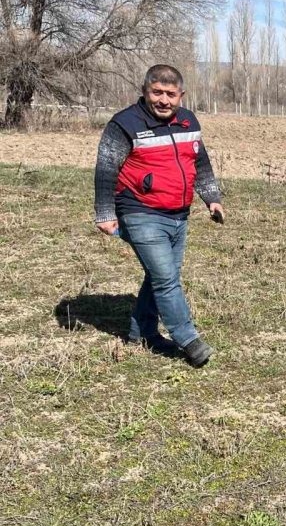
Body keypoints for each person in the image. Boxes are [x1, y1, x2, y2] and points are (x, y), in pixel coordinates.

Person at [93, 64, 225, 367]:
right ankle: (188, 339)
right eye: (157, 92)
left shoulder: (188, 120)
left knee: (161, 275)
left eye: (170, 94)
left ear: (181, 95)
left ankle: (141, 334)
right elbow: (105, 169)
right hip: (139, 210)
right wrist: (104, 212)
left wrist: (212, 199)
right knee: (166, 279)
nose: (163, 100)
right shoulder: (124, 123)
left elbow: (200, 162)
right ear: (145, 91)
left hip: (179, 213)